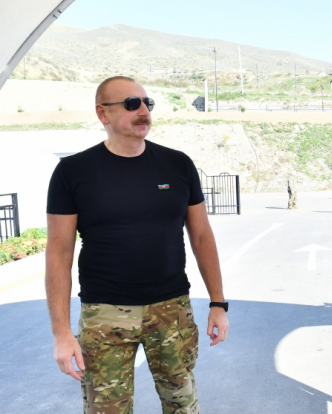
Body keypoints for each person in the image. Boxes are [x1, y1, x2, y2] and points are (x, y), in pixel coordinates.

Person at [45, 76, 229, 414]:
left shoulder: (178, 165)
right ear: (103, 113)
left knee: (183, 405)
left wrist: (218, 302)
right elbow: (58, 254)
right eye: (132, 104)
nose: (143, 110)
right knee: (107, 410)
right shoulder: (73, 172)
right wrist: (62, 333)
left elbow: (202, 235)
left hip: (172, 310)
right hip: (104, 315)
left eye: (147, 103)